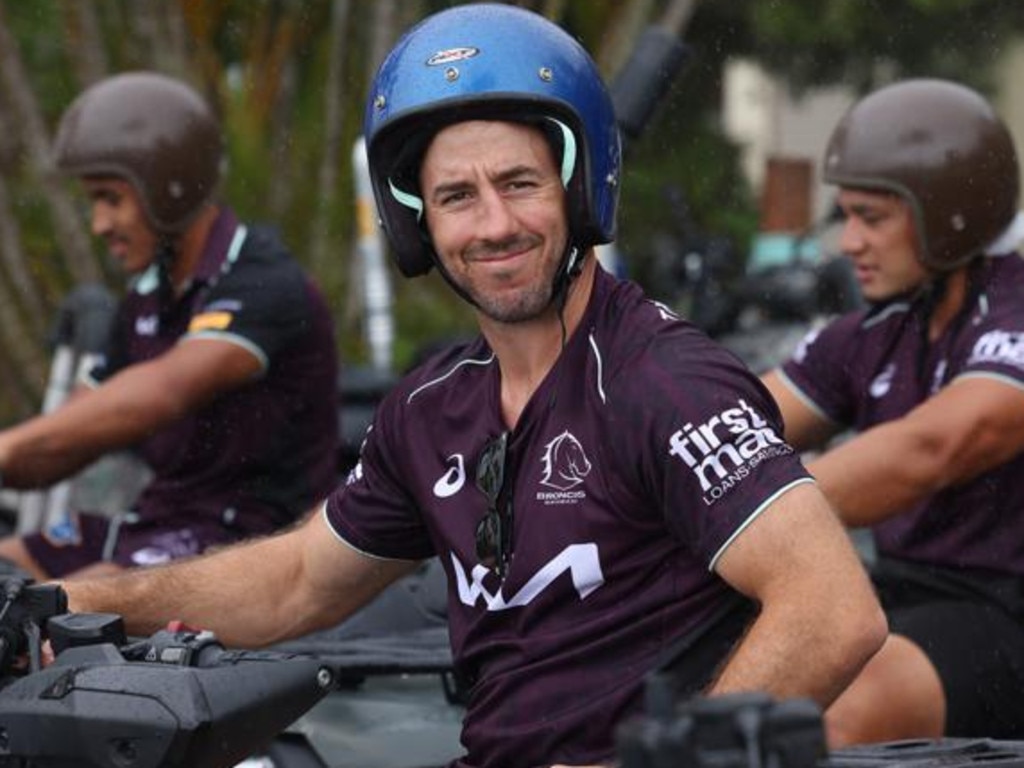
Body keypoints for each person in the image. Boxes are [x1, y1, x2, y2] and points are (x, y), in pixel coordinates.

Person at [62, 7, 885, 768]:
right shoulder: (430, 410)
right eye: (457, 196)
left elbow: (833, 606)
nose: (493, 225)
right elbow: (294, 584)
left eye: (519, 183)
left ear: (577, 187)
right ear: (416, 222)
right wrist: (66, 601)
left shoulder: (665, 381)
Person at [760, 78, 1024, 746]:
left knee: (809, 727)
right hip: (889, 595)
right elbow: (731, 425)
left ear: (949, 213)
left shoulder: (1016, 310)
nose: (848, 243)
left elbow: (932, 448)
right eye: (844, 216)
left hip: (999, 610)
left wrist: (753, 513)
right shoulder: (878, 330)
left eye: (870, 217)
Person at [0, 72, 339, 580]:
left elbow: (162, 393)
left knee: (64, 614)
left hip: (251, 544)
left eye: (110, 199)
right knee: (11, 570)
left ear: (167, 184)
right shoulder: (143, 300)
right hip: (154, 523)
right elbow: (68, 437)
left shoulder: (264, 282)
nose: (99, 225)